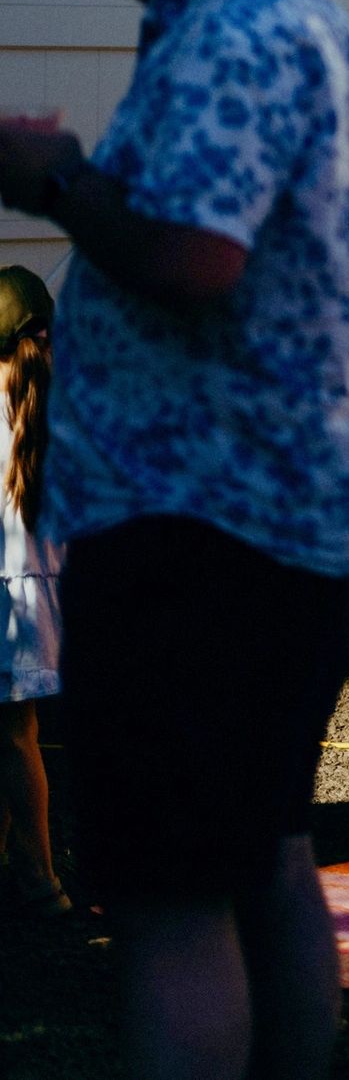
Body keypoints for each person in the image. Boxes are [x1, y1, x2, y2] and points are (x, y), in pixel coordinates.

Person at [0, 0, 349, 1080]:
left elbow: (193, 261)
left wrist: (51, 177)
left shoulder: (234, 38)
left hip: (201, 529)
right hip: (285, 518)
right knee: (266, 847)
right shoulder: (308, 28)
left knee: (174, 896)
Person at [0, 265, 68, 920]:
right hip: (32, 601)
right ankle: (27, 871)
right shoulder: (54, 406)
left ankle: (41, 879)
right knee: (17, 735)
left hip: (5, 602)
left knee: (14, 738)